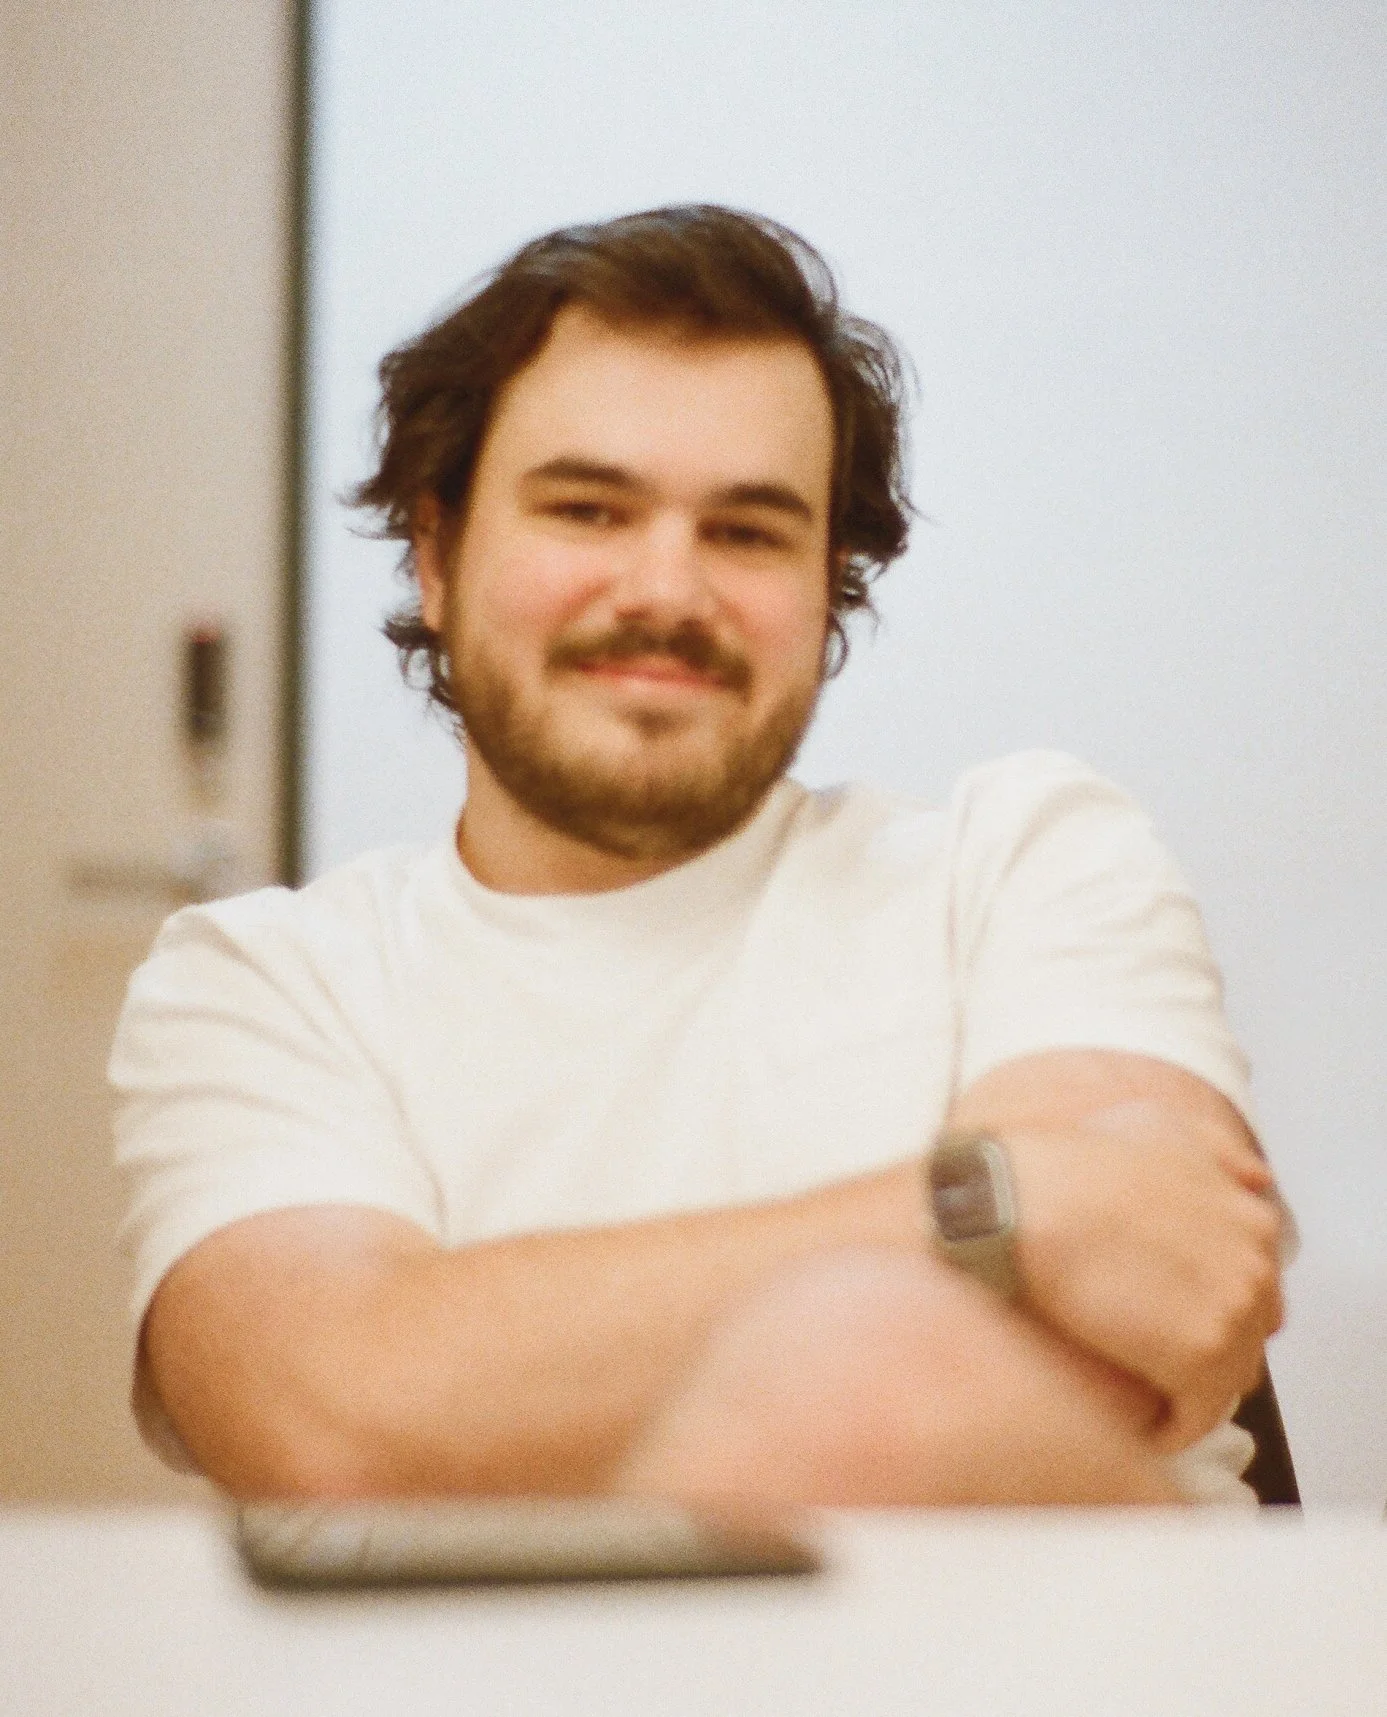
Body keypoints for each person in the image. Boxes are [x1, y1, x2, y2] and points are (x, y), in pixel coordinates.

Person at [109, 205, 1286, 1510]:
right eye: (588, 509)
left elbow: (1147, 1323)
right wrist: (992, 1212)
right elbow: (329, 1419)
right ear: (434, 557)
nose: (666, 590)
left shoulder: (1019, 861)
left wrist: (484, 1375)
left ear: (830, 585)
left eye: (745, 530)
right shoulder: (262, 983)